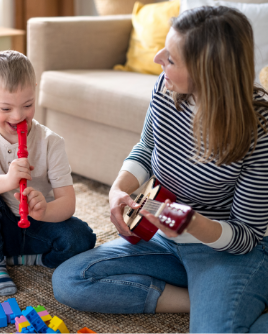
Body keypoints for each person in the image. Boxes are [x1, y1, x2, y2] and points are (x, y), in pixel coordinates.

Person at [51, 6, 268, 333]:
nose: (157, 58)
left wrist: (191, 223)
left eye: (171, 58)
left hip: (225, 250)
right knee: (70, 280)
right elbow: (148, 147)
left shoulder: (257, 134)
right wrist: (118, 189)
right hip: (165, 236)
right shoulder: (167, 89)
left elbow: (246, 237)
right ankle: (203, 301)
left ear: (206, 72)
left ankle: (233, 298)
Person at [0, 50, 96, 296]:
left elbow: (68, 202)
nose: (18, 116)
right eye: (6, 108)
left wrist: (45, 210)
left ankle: (27, 258)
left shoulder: (52, 142)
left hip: (37, 227)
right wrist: (8, 181)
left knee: (81, 237)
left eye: (27, 105)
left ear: (35, 92)